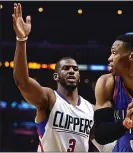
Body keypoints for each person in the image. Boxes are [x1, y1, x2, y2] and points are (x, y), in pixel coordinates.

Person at [12, 3, 94, 152]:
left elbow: (106, 143)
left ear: (79, 77)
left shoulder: (91, 109)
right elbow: (22, 82)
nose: (71, 71)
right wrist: (21, 39)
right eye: (66, 68)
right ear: (56, 76)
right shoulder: (49, 99)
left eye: (75, 69)